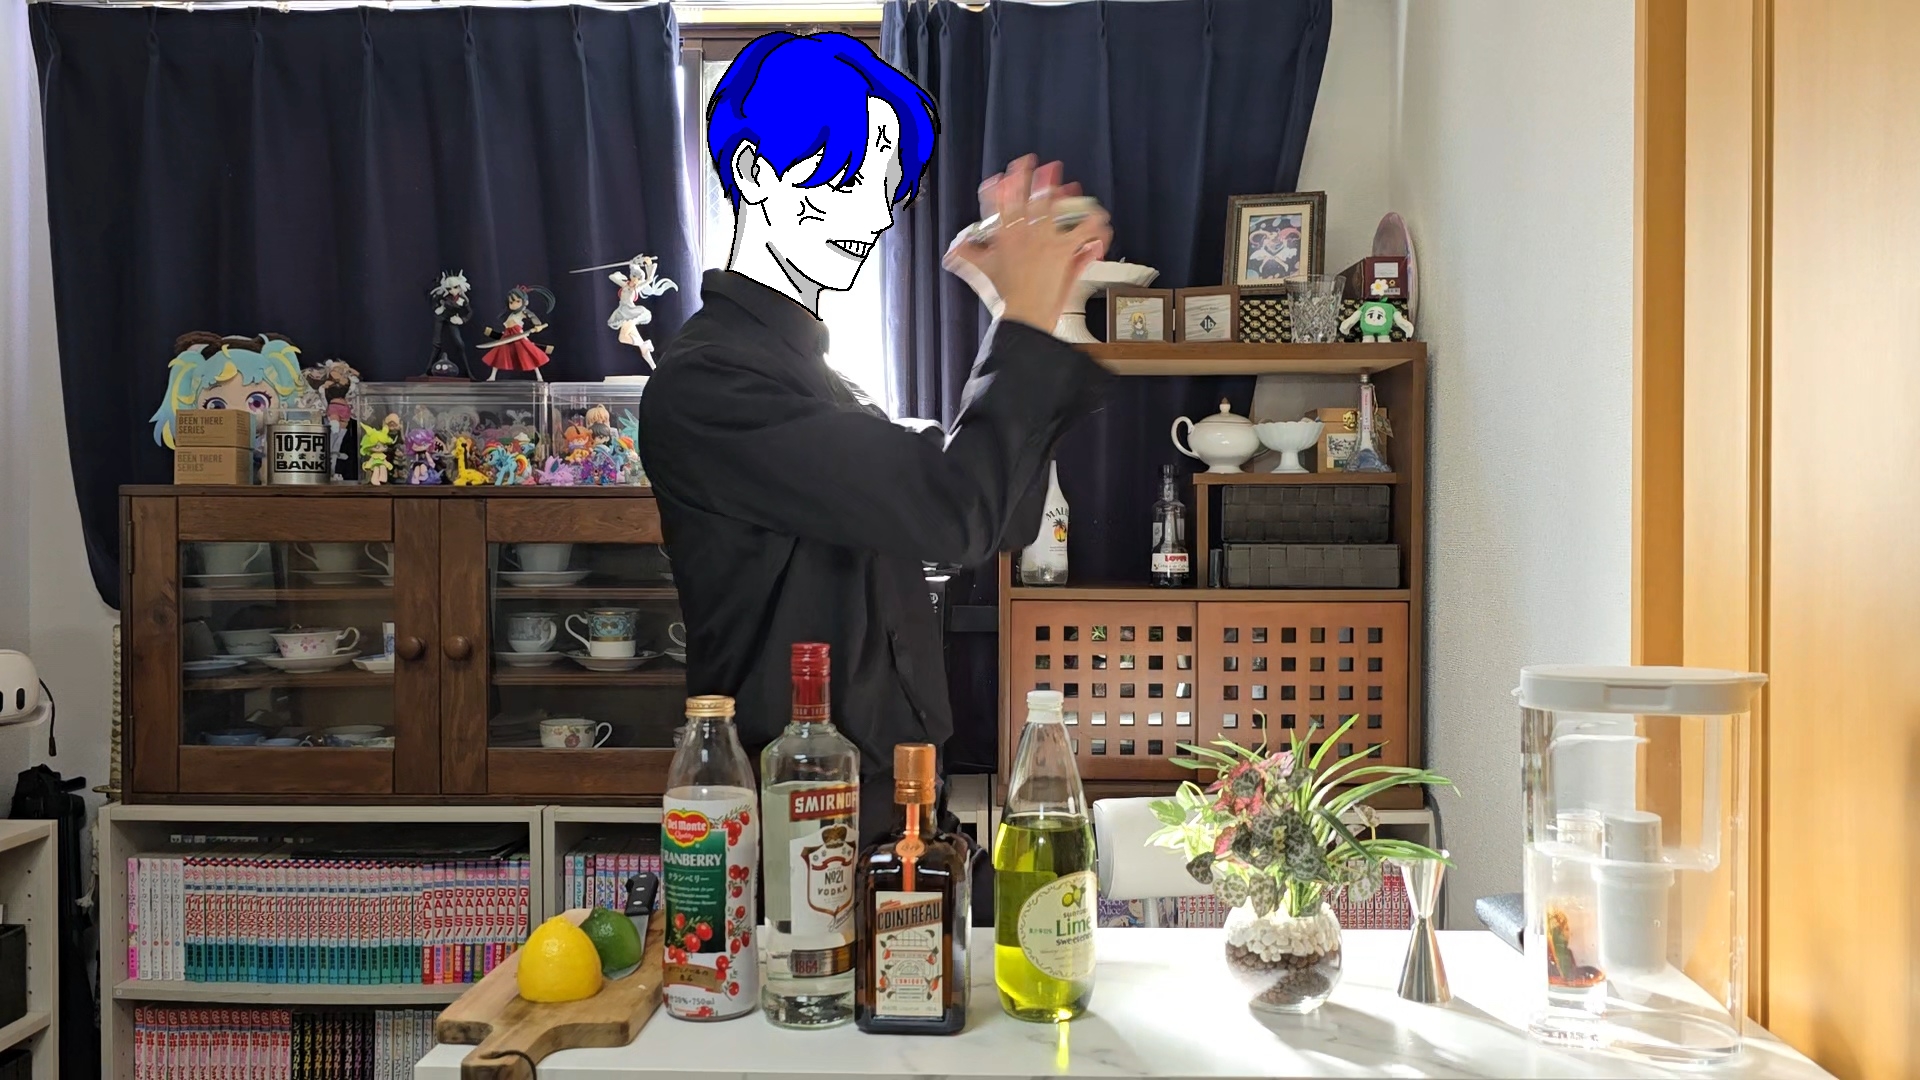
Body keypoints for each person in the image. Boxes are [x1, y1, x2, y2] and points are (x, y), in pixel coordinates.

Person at [638, 31, 1114, 846]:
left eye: (885, 186)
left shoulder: (821, 380)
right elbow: (955, 511)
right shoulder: (710, 384)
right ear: (751, 170)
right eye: (847, 177)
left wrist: (1035, 310)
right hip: (801, 820)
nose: (875, 214)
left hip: (894, 805)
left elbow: (999, 519)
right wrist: (1024, 318)